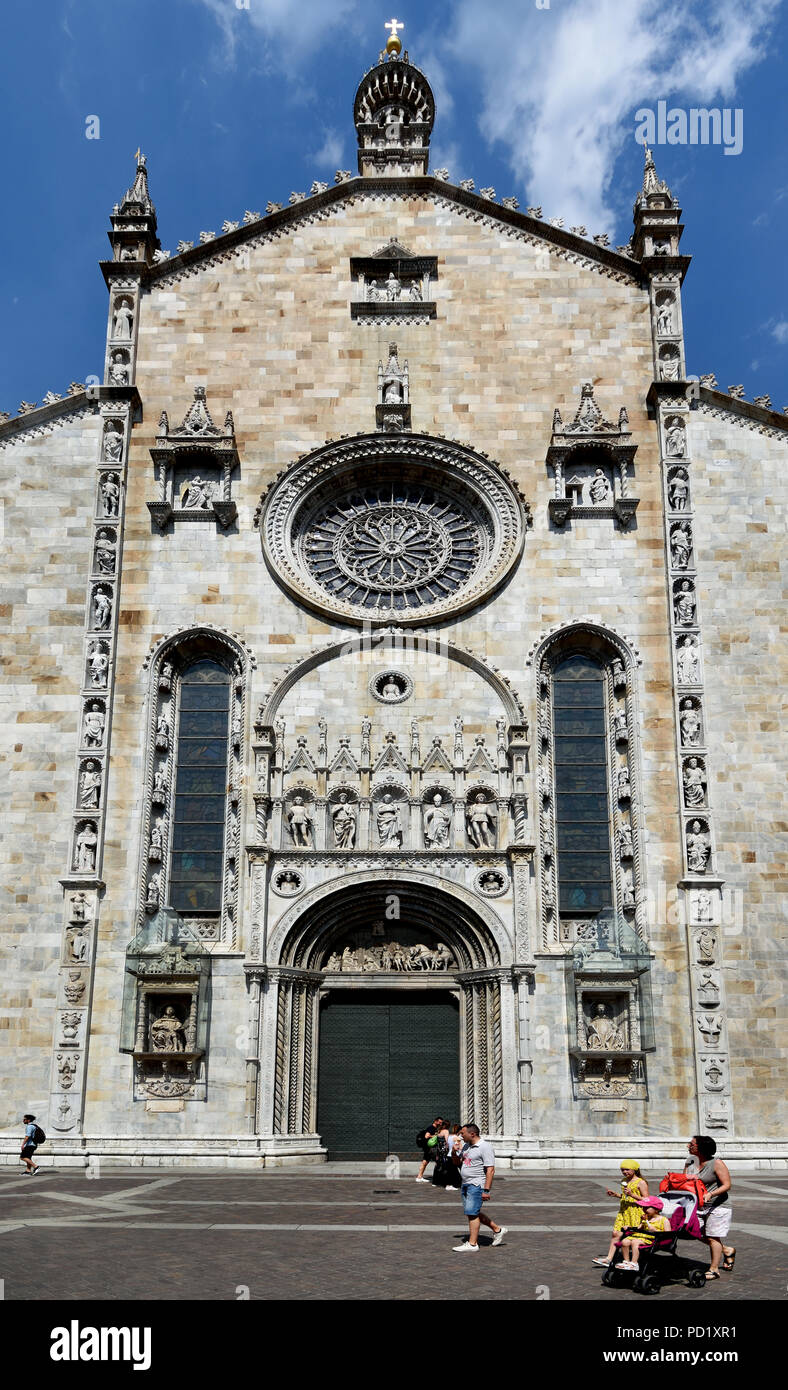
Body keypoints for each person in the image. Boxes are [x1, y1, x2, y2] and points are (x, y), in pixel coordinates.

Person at [685, 1135, 735, 1279]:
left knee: (713, 1237)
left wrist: (711, 1194)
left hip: (718, 1205)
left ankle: (714, 1270)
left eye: (691, 1144)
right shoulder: (690, 1162)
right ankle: (726, 1250)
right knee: (693, 1231)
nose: (688, 1146)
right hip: (699, 1205)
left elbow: (727, 1185)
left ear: (701, 1147)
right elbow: (685, 1181)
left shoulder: (716, 1163)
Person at [451, 1123, 507, 1250]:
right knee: (472, 1212)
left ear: (472, 1134)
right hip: (465, 1184)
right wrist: (454, 1152)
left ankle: (472, 1244)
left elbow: (490, 1170)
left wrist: (486, 1190)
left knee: (472, 1213)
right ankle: (497, 1230)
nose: (460, 1136)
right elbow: (457, 1163)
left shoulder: (485, 1147)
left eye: (462, 1133)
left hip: (476, 1184)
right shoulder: (466, 1146)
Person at [593, 1160, 649, 1266]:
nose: (624, 1172)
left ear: (635, 1169)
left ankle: (633, 1261)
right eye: (622, 1170)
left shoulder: (641, 1182)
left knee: (633, 1236)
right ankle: (609, 1259)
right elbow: (625, 1196)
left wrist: (632, 1195)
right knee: (615, 1233)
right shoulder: (624, 1180)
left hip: (635, 1212)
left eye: (627, 1169)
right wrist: (617, 1195)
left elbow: (646, 1200)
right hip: (623, 1212)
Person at [617, 1197, 670, 1270]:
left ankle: (634, 1263)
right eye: (643, 1207)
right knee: (624, 1241)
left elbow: (668, 1233)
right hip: (640, 1236)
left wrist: (656, 1230)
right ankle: (626, 1261)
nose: (644, 1209)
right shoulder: (646, 1219)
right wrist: (630, 1227)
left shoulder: (663, 1220)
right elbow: (639, 1228)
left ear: (656, 1209)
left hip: (651, 1238)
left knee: (635, 1242)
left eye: (647, 1207)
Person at [432, 1122, 461, 1192]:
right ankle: (450, 1184)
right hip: (449, 1153)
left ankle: (437, 1182)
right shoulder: (453, 1135)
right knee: (451, 1169)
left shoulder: (440, 1132)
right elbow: (448, 1143)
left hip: (441, 1151)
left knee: (441, 1167)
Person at [415, 1116, 444, 1183]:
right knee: (438, 1162)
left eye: (441, 1123)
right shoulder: (431, 1128)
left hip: (428, 1148)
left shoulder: (435, 1128)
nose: (440, 1124)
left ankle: (419, 1177)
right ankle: (439, 1178)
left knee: (425, 1162)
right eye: (439, 1122)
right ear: (435, 1121)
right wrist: (435, 1136)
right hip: (430, 1149)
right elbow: (427, 1136)